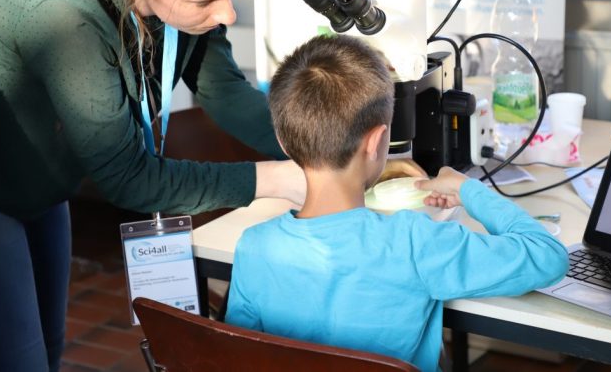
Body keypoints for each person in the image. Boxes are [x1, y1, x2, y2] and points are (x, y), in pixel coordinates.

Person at [0, 0, 308, 371]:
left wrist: (322, 153)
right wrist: (281, 179)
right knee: (17, 362)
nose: (227, 15)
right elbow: (128, 178)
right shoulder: (63, 13)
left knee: (49, 345)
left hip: (39, 171)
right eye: (207, 0)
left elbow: (226, 93)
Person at [225, 35, 569, 372]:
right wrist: (468, 191)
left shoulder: (254, 247)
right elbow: (547, 256)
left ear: (284, 142)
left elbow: (242, 356)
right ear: (377, 141)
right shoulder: (413, 242)